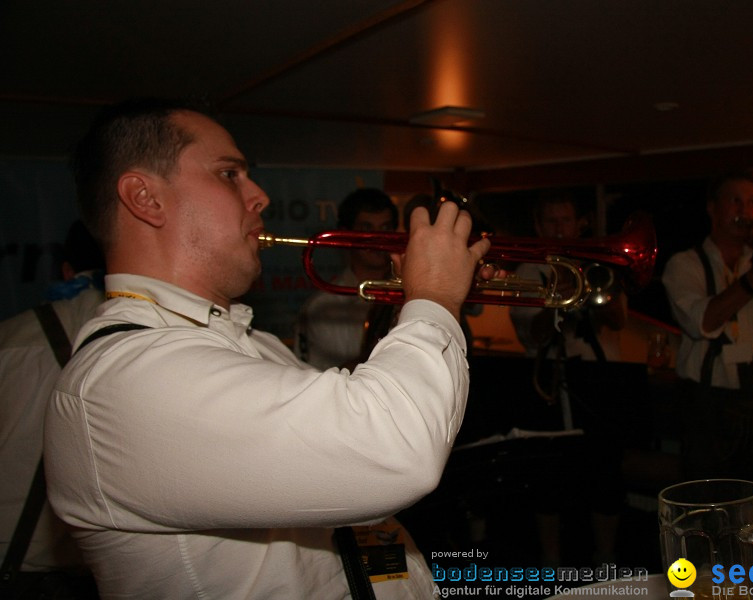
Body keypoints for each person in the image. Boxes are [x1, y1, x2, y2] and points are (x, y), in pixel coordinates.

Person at [42, 98, 494, 599]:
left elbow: (359, 503)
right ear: (145, 198)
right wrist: (432, 296)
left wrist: (423, 302)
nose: (259, 196)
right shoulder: (120, 382)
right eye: (230, 174)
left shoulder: (249, 343)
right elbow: (395, 448)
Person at [661, 167, 753, 500]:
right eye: (735, 201)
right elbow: (701, 322)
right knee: (705, 511)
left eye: (752, 202)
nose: (745, 212)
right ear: (713, 208)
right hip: (708, 408)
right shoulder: (684, 265)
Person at [508, 194, 628, 566]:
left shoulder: (599, 262)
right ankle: (552, 563)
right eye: (551, 221)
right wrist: (557, 296)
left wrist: (591, 281)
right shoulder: (527, 272)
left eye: (566, 221)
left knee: (605, 473)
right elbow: (533, 336)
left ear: (580, 225)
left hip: (599, 376)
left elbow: (619, 318)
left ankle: (607, 559)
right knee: (549, 476)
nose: (560, 229)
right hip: (547, 378)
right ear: (540, 226)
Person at [0, 221, 104, 598]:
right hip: (108, 575)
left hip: (16, 567)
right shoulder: (152, 339)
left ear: (65, 269)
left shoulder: (9, 340)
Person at [295, 188, 399, 370]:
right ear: (346, 235)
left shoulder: (410, 294)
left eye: (385, 228)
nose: (379, 239)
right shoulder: (320, 307)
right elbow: (307, 377)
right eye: (366, 229)